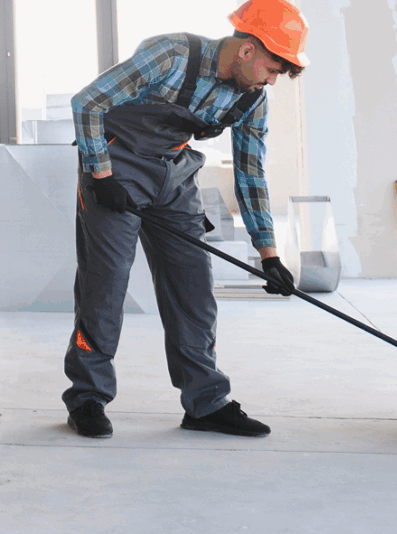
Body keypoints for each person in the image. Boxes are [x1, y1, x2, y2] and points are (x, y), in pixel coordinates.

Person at [61, 0, 308, 439]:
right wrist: (101, 175)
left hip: (174, 177)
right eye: (273, 68)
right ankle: (87, 397)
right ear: (248, 49)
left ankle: (206, 403)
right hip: (116, 170)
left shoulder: (252, 99)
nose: (272, 80)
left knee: (194, 290)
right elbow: (88, 102)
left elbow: (250, 173)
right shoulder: (172, 55)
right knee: (105, 286)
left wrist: (268, 254)